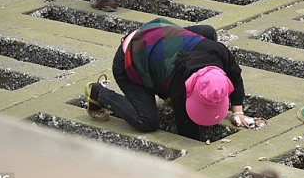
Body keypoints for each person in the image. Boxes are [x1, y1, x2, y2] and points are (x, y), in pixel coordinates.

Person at [84, 17, 257, 140]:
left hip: (158, 35)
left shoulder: (221, 53)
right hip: (128, 58)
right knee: (147, 122)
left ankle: (162, 81)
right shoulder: (179, 83)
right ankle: (98, 92)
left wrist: (238, 112)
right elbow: (186, 128)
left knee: (208, 32)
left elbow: (236, 77)